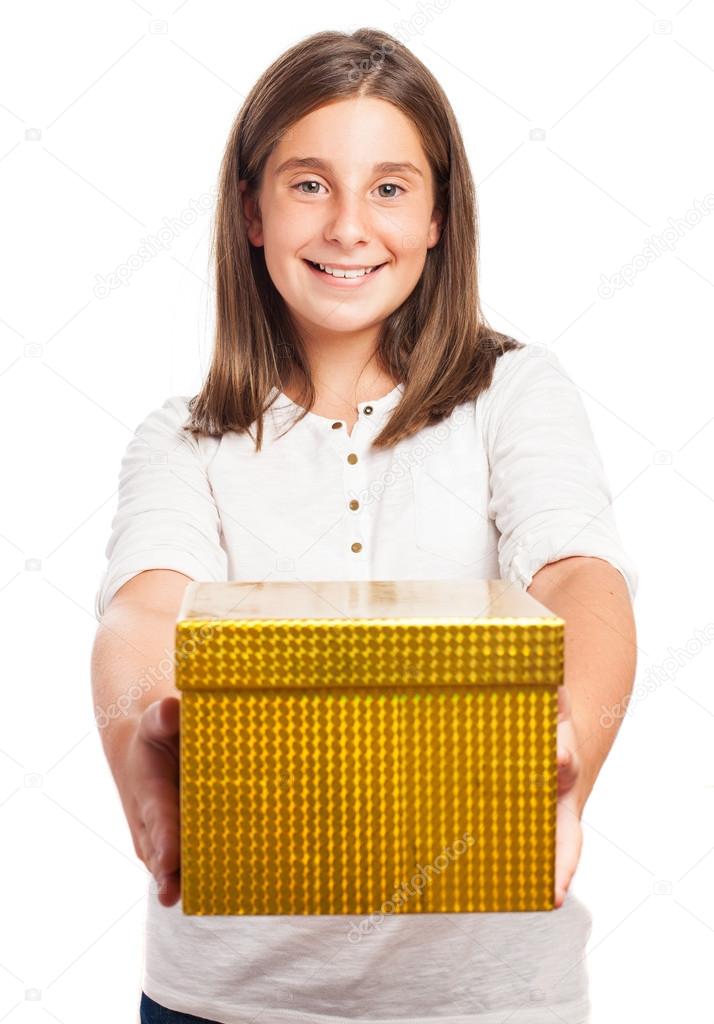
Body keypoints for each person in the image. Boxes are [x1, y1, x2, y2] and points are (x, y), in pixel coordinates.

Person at [91, 27, 638, 1024]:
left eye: (389, 187)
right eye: (309, 184)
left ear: (437, 217)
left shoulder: (514, 394)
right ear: (251, 212)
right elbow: (143, 612)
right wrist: (140, 757)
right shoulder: (186, 438)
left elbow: (578, 574)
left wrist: (572, 750)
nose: (349, 226)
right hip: (224, 1003)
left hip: (489, 1004)